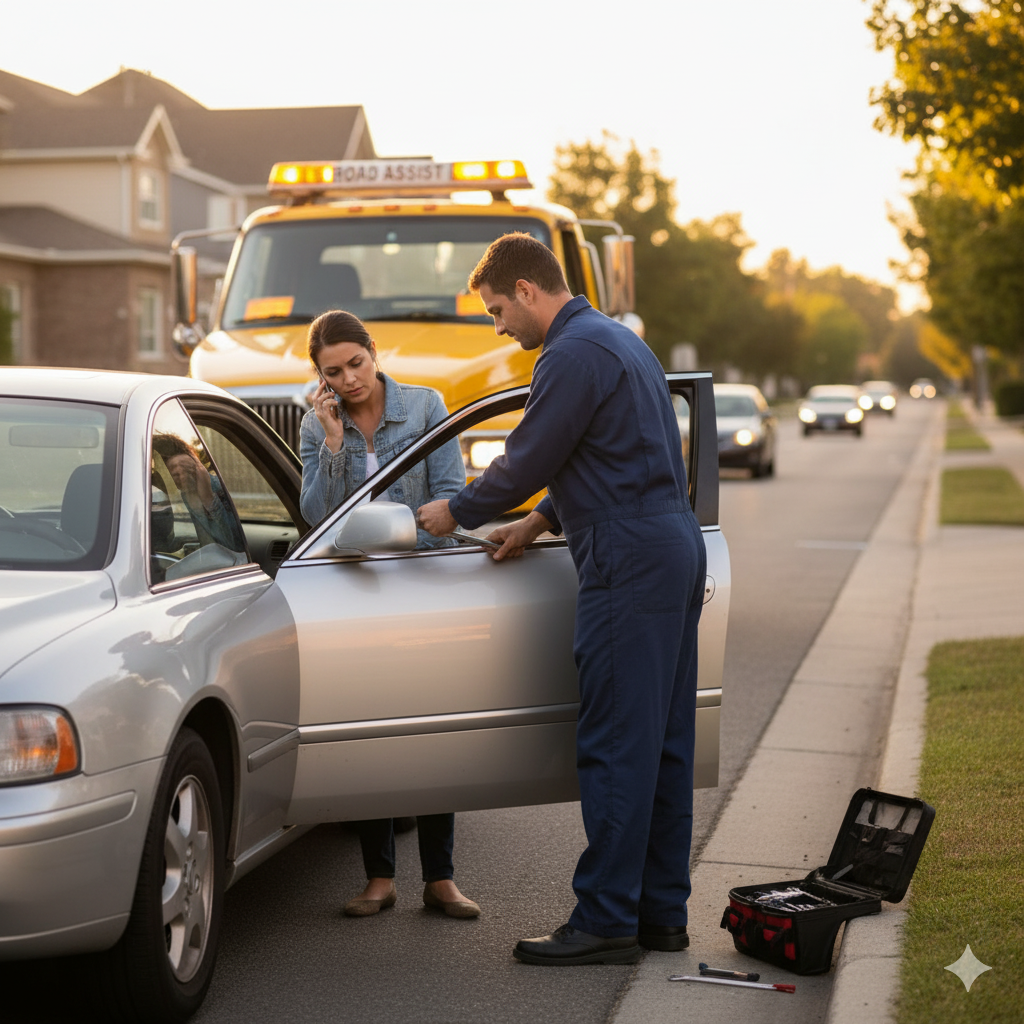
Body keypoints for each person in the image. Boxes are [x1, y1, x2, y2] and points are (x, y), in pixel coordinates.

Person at [417, 233, 706, 963]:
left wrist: (457, 511)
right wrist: (544, 519)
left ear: (527, 291)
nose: (498, 327)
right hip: (669, 543)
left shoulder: (568, 355)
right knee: (663, 745)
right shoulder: (620, 342)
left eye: (495, 310)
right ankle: (660, 915)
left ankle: (606, 920)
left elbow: (529, 456)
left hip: (629, 561)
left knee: (614, 747)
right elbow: (611, 447)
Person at [298, 308, 479, 919]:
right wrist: (331, 442)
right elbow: (316, 518)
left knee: (433, 732)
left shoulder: (426, 407)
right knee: (370, 731)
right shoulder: (316, 425)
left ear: (374, 353)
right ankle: (379, 877)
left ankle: (441, 879)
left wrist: (402, 537)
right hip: (357, 598)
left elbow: (452, 500)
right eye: (334, 371)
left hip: (427, 588)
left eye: (357, 363)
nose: (350, 379)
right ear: (319, 376)